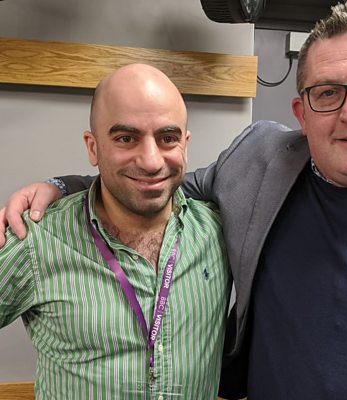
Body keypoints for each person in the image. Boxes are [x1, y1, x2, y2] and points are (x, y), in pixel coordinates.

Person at [3, 1, 347, 399]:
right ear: (302, 113)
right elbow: (158, 184)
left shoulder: (208, 231)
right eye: (328, 92)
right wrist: (62, 186)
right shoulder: (260, 161)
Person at [0, 63, 231, 399]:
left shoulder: (219, 233)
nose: (151, 161)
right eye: (126, 138)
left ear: (185, 143)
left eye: (167, 138)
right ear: (93, 147)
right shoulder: (36, 239)